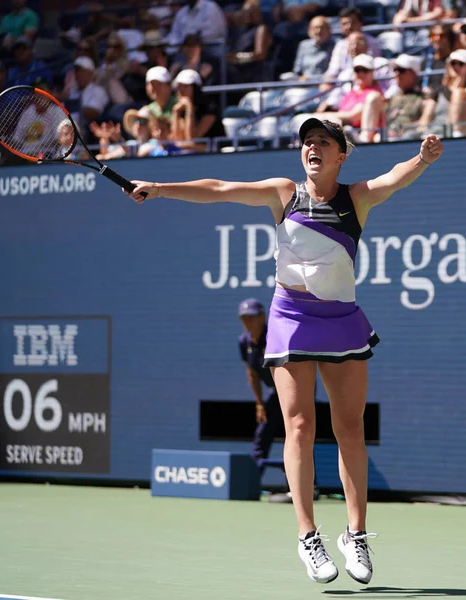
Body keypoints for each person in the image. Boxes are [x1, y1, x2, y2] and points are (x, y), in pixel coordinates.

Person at [125, 118, 444, 585]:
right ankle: (308, 535)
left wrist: (423, 158)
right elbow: (219, 187)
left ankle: (355, 535)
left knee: (349, 427)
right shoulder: (283, 193)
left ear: (342, 154)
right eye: (307, 142)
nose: (312, 148)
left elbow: (393, 178)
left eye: (324, 142)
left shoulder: (356, 198)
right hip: (291, 317)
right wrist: (159, 187)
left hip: (341, 320)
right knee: (298, 424)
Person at [237, 298, 282, 473]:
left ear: (263, 317)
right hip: (275, 393)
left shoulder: (275, 337)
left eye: (252, 317)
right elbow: (252, 373)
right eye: (244, 318)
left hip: (295, 391)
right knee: (263, 433)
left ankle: (307, 487)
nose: (248, 322)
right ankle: (252, 480)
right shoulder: (244, 342)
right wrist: (259, 403)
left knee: (297, 434)